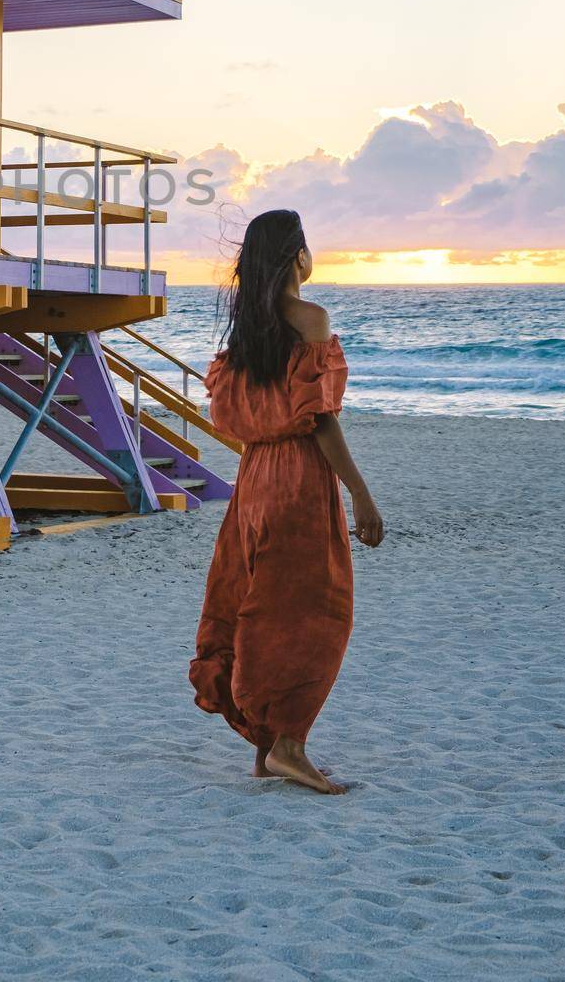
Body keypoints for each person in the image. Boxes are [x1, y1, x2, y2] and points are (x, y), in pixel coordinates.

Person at [189, 209, 384, 794]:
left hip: (253, 481)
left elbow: (237, 416)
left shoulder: (248, 329)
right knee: (315, 615)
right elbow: (320, 421)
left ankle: (269, 747)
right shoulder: (310, 319)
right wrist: (361, 493)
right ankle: (290, 746)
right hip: (298, 479)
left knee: (259, 607)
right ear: (299, 257)